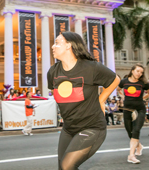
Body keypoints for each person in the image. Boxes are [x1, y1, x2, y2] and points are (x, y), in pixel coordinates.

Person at [47, 32, 120, 169]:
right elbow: (58, 94)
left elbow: (115, 80)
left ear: (69, 45)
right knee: (62, 168)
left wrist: (101, 100)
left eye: (57, 42)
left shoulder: (91, 67)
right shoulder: (52, 72)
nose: (53, 46)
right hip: (69, 129)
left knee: (67, 165)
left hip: (92, 127)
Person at [117, 63, 149, 164]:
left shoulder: (143, 83)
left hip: (140, 109)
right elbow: (118, 89)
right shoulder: (124, 81)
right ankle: (139, 146)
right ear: (132, 71)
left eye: (141, 72)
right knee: (130, 132)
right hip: (127, 109)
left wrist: (142, 98)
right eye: (137, 71)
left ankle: (131, 155)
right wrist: (123, 97)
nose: (139, 74)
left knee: (136, 130)